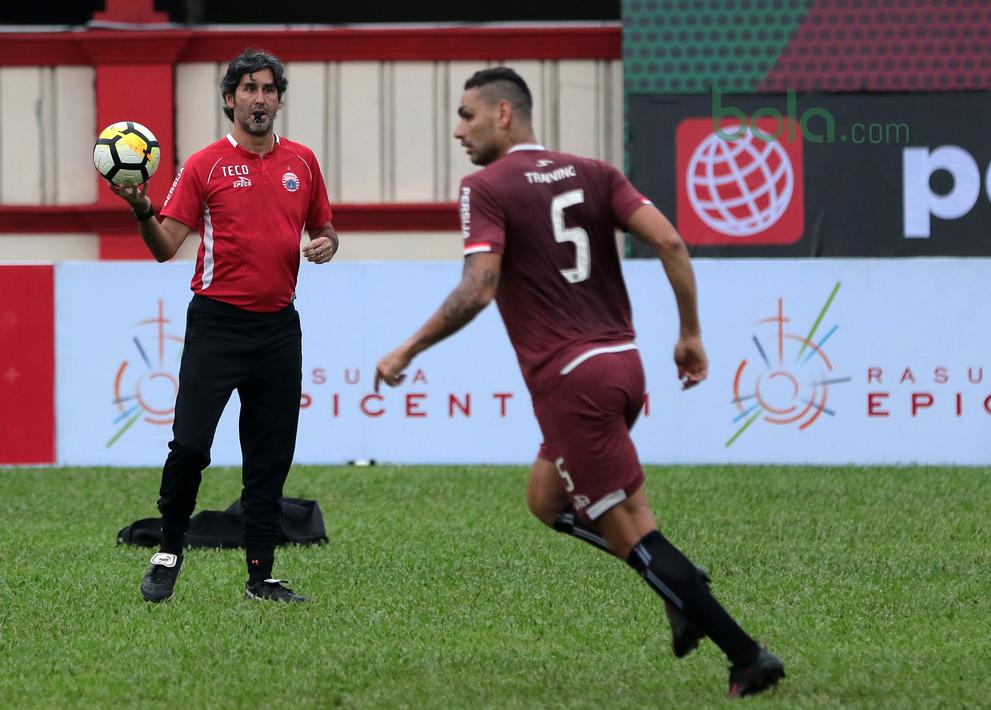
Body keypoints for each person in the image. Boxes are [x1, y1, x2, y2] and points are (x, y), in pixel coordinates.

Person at [374, 68, 785, 698]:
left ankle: (744, 654)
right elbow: (672, 243)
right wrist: (690, 333)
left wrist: (408, 348)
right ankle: (676, 584)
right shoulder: (597, 173)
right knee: (546, 500)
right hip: (622, 366)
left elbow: (479, 287)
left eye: (467, 115)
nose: (458, 130)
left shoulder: (485, 187)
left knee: (634, 528)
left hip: (571, 383)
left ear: (504, 114)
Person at [110, 49, 337, 604]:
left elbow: (325, 228)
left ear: (278, 100)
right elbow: (165, 246)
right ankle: (168, 553)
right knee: (190, 447)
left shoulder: (303, 163)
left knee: (269, 459)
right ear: (230, 100)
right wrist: (141, 209)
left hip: (279, 329)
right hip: (216, 326)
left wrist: (327, 244)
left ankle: (261, 577)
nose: (259, 99)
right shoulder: (204, 164)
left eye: (268, 89)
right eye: (248, 89)